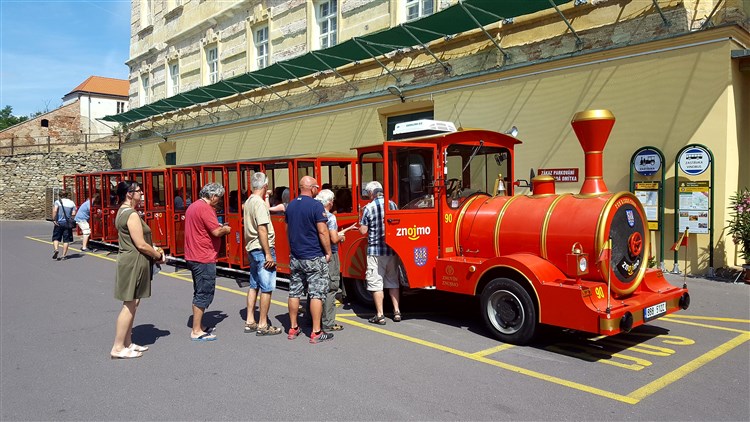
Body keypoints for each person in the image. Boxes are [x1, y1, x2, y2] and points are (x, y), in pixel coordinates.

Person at [110, 181, 166, 359]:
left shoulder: (122, 211)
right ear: (129, 194)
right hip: (134, 261)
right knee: (129, 303)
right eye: (138, 191)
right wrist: (157, 255)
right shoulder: (131, 214)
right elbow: (141, 244)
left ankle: (127, 342)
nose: (141, 194)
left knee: (134, 302)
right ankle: (118, 347)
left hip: (131, 259)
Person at [285, 176, 334, 344]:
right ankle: (316, 331)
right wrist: (328, 252)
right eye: (316, 187)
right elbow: (322, 231)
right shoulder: (315, 205)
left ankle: (293, 328)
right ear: (312, 188)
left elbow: (288, 230)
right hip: (313, 255)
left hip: (296, 256)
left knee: (294, 291)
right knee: (316, 293)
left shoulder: (291, 205)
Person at [184, 183, 231, 341]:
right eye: (219, 197)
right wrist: (226, 229)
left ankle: (199, 326)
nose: (219, 201)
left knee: (199, 291)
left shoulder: (194, 206)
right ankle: (196, 330)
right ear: (213, 196)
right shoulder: (205, 208)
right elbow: (216, 231)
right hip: (203, 256)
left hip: (193, 255)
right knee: (203, 293)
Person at [242, 172, 282, 336]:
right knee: (266, 288)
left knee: (254, 285)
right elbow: (262, 229)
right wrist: (268, 254)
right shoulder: (258, 203)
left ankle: (250, 320)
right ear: (265, 186)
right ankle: (263, 324)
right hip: (261, 248)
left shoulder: (250, 201)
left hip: (252, 247)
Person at [359, 181, 402, 325]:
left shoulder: (369, 208)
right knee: (392, 281)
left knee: (376, 283)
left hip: (375, 251)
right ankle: (396, 311)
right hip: (392, 250)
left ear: (371, 193)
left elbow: (363, 231)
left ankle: (380, 315)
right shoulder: (393, 205)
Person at [315, 189, 358, 331]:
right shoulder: (330, 217)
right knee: (331, 287)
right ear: (329, 202)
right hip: (330, 253)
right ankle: (328, 322)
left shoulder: (312, 213)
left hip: (315, 253)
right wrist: (341, 236)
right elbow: (333, 239)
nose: (333, 202)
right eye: (332, 200)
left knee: (315, 287)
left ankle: (312, 319)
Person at [51, 190, 77, 261]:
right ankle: (63, 255)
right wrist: (70, 218)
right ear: (67, 195)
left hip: (59, 222)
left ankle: (56, 249)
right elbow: (74, 213)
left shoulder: (57, 202)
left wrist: (54, 219)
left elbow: (55, 211)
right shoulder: (71, 203)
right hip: (67, 223)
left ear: (60, 195)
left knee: (56, 238)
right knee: (66, 240)